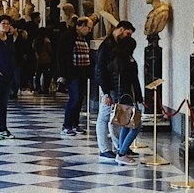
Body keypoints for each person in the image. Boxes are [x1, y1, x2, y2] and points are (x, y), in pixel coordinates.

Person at [95, 19, 136, 161]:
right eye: (128, 34)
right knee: (104, 116)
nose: (128, 38)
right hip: (108, 86)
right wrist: (105, 92)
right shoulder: (106, 45)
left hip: (115, 86)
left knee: (116, 118)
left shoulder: (117, 45)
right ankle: (104, 149)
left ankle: (120, 146)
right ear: (121, 29)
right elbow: (100, 69)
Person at [57, 14, 93, 135]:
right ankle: (66, 125)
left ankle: (75, 123)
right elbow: (62, 56)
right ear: (81, 26)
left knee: (80, 100)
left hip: (82, 72)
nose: (90, 30)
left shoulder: (84, 38)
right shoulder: (67, 36)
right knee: (74, 98)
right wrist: (62, 74)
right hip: (72, 73)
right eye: (88, 27)